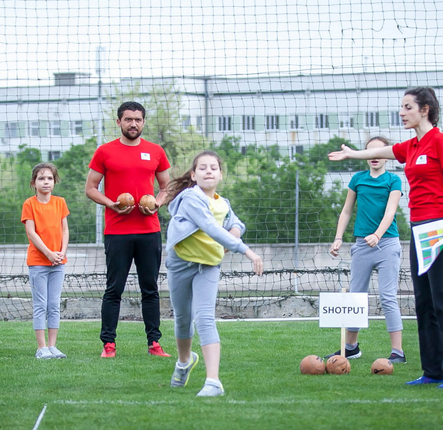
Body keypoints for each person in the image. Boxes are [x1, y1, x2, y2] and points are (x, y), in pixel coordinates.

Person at [328, 87, 443, 389]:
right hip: (419, 231)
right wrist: (352, 153)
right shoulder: (411, 146)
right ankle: (434, 372)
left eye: (408, 107)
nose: (401, 112)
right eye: (401, 107)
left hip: (439, 229)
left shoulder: (440, 141)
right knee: (424, 303)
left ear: (425, 109)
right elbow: (377, 152)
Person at [165, 151, 263, 397]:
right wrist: (246, 251)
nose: (208, 171)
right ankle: (184, 361)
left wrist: (235, 233)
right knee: (183, 319)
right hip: (181, 264)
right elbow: (210, 226)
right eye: (202, 168)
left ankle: (213, 382)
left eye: (213, 168)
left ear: (220, 175)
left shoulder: (223, 202)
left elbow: (235, 223)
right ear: (193, 175)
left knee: (205, 318)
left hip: (208, 265)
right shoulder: (191, 198)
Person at [85, 101, 172, 358]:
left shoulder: (156, 151)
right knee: (114, 290)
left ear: (143, 122)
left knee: (150, 289)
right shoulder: (104, 151)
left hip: (149, 231)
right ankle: (108, 345)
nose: (133, 124)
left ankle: (154, 343)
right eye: (128, 119)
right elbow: (90, 188)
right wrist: (110, 203)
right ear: (119, 122)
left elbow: (166, 187)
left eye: (137, 119)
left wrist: (157, 204)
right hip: (117, 231)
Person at [326, 136, 405, 364]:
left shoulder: (394, 180)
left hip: (387, 244)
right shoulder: (358, 179)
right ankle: (350, 348)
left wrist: (378, 234)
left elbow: (390, 212)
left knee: (387, 297)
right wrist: (338, 238)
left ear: (387, 156)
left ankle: (398, 352)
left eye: (380, 152)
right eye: (371, 152)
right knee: (355, 297)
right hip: (361, 246)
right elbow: (346, 211)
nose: (375, 156)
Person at [21, 162, 70, 359]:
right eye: (41, 178)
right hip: (38, 262)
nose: (46, 182)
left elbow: (64, 230)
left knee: (54, 304)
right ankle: (41, 348)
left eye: (50, 178)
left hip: (58, 263)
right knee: (41, 304)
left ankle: (52, 346)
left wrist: (61, 253)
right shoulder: (29, 204)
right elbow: (32, 233)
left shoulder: (60, 202)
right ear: (34, 183)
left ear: (54, 181)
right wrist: (49, 253)